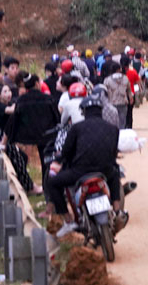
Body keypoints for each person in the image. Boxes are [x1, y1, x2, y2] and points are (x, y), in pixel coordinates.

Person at [47, 91, 126, 238]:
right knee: (115, 175)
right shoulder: (113, 129)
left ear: (83, 112)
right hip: (105, 171)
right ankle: (117, 211)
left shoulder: (76, 128)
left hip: (80, 172)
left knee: (53, 183)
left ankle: (69, 220)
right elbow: (113, 152)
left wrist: (60, 159)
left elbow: (66, 153)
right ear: (101, 110)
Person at [6, 72, 60, 189]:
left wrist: (9, 138)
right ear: (36, 84)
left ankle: (27, 183)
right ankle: (48, 187)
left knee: (22, 158)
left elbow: (14, 120)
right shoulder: (48, 99)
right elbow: (57, 118)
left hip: (28, 135)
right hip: (47, 135)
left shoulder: (21, 101)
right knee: (47, 162)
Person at [0, 84, 36, 193]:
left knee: (23, 158)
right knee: (18, 160)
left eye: (9, 91)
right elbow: (10, 110)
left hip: (6, 136)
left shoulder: (9, 103)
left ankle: (21, 184)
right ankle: (30, 187)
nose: (8, 93)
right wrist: (21, 104)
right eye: (5, 91)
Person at [103, 60, 132, 127]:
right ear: (119, 69)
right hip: (123, 102)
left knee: (112, 121)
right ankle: (121, 134)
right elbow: (129, 90)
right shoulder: (125, 78)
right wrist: (130, 98)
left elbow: (105, 92)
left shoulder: (107, 80)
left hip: (111, 103)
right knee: (122, 121)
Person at [123, 54, 139, 128]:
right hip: (131, 95)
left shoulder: (118, 73)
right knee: (129, 112)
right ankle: (129, 127)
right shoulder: (133, 72)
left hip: (121, 95)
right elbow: (137, 82)